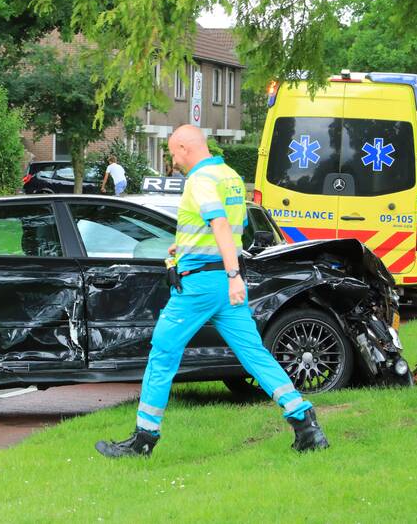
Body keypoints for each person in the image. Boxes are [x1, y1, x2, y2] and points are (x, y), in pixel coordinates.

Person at [95, 125, 329, 458]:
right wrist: (188, 247)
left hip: (202, 285)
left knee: (162, 352)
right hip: (222, 284)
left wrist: (233, 273)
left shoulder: (200, 181)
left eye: (173, 153)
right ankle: (305, 421)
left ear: (184, 147)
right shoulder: (229, 175)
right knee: (254, 355)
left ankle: (144, 439)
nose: (173, 160)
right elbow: (237, 229)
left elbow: (219, 223)